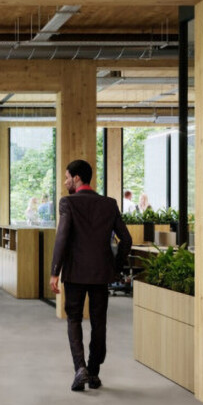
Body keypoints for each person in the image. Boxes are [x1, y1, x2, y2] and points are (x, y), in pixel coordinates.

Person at [49, 159, 132, 392]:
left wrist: (55, 271)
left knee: (74, 319)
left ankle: (80, 369)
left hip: (75, 273)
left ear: (76, 178)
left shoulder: (68, 202)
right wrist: (115, 266)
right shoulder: (109, 203)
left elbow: (62, 237)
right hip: (101, 273)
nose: (65, 182)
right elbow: (126, 240)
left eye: (67, 178)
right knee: (99, 321)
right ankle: (94, 371)